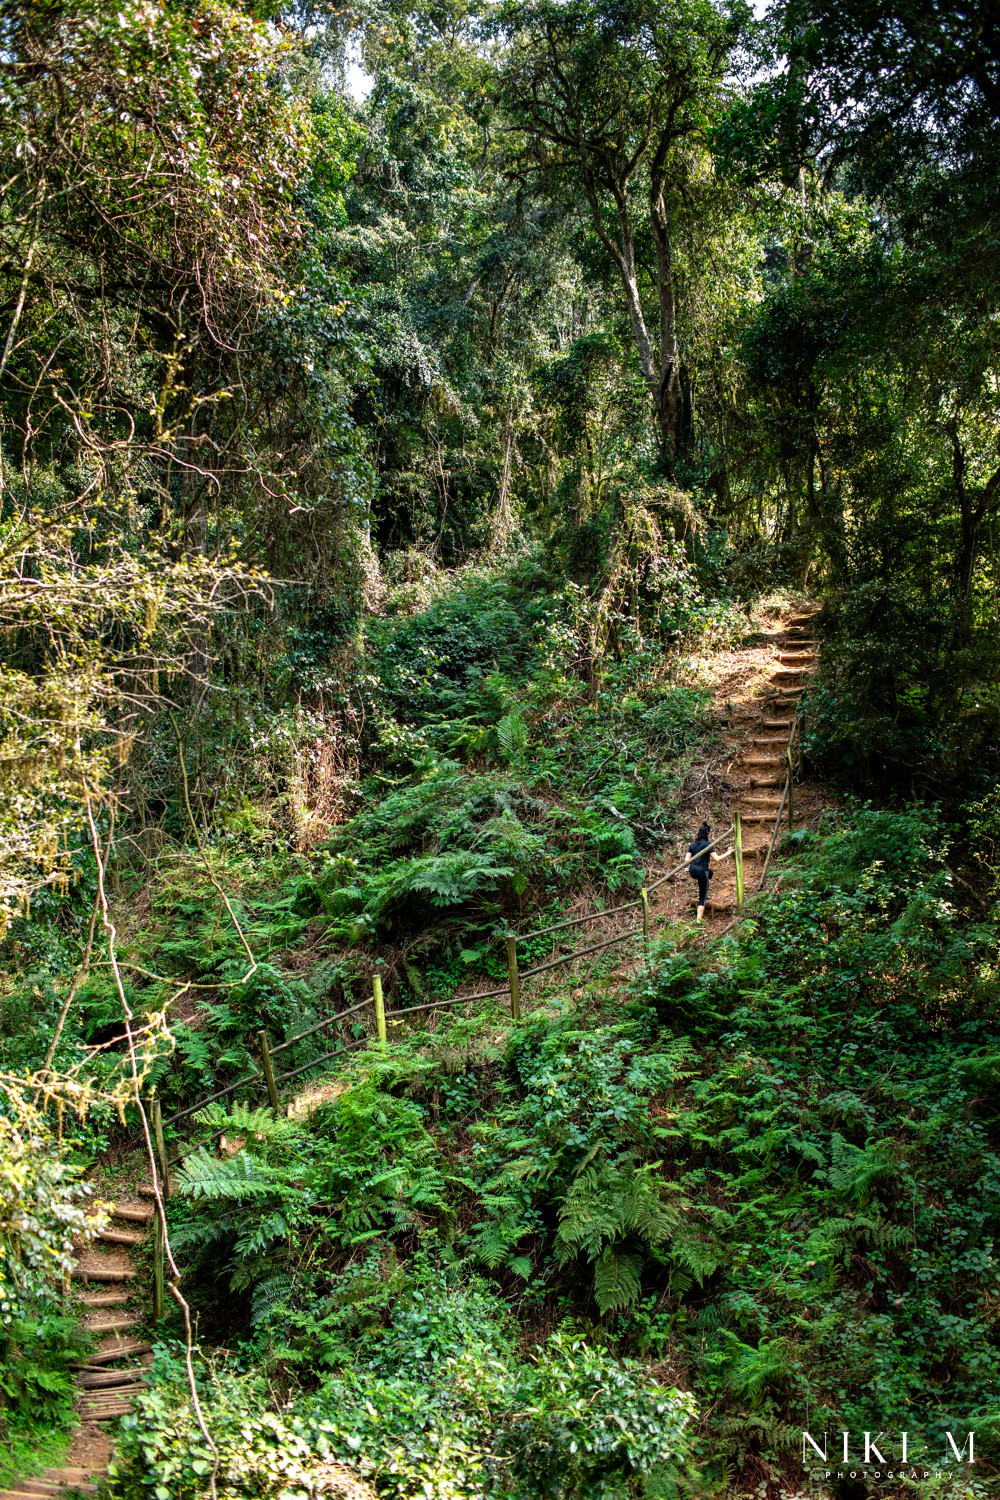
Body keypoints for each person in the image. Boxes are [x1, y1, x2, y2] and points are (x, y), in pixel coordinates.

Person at [685, 821, 714, 922]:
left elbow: (686, 860)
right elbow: (717, 858)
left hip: (692, 870)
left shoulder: (692, 844)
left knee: (710, 872)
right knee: (703, 897)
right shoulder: (708, 844)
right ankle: (698, 921)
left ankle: (703, 886)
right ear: (708, 834)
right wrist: (728, 852)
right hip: (702, 872)